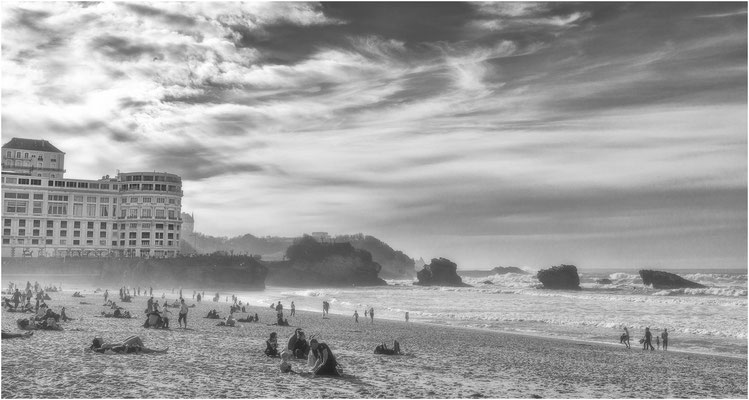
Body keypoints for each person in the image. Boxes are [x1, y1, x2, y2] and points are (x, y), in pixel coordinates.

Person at [90, 335, 165, 354]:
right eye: (99, 338)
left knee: (133, 336)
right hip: (122, 344)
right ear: (98, 342)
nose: (101, 337)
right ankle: (144, 348)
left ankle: (144, 348)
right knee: (136, 338)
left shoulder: (102, 344)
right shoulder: (103, 345)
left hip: (121, 342)